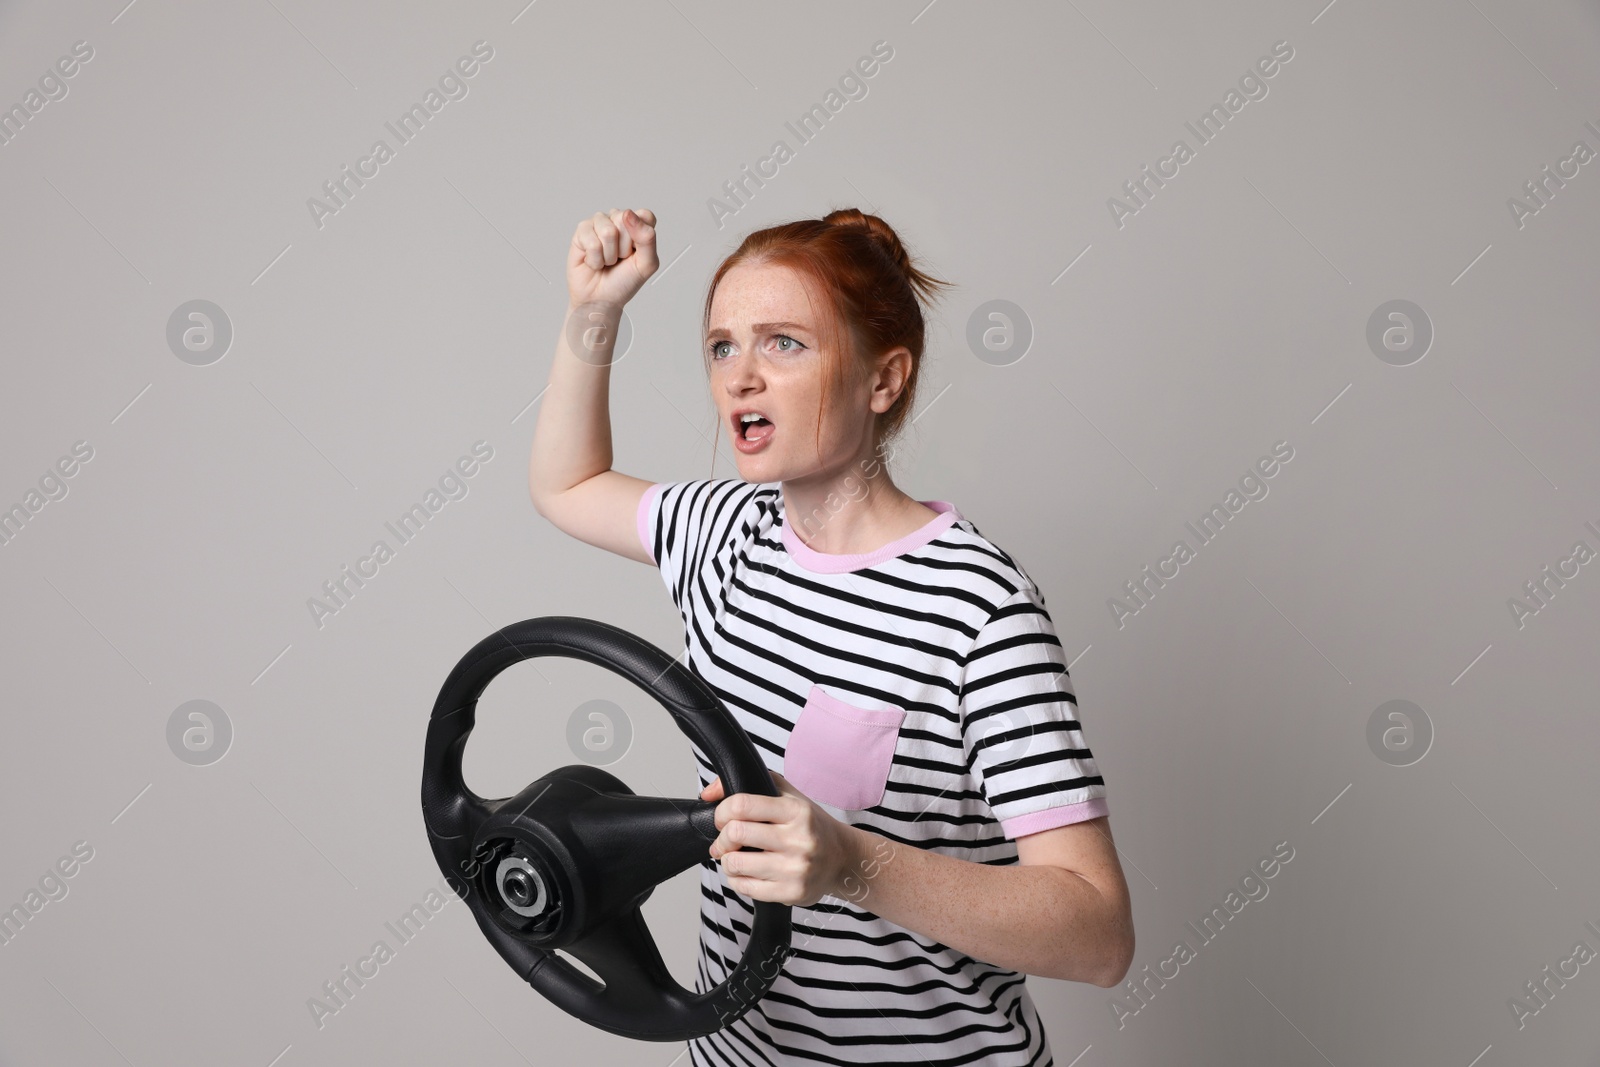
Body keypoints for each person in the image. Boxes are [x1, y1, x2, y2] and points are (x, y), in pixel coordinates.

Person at [529, 206, 1134, 1066]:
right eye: (721, 346)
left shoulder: (979, 608)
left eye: (783, 343)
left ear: (883, 381)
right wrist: (595, 311)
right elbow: (568, 480)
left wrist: (851, 862)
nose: (740, 377)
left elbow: (1099, 933)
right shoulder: (723, 534)